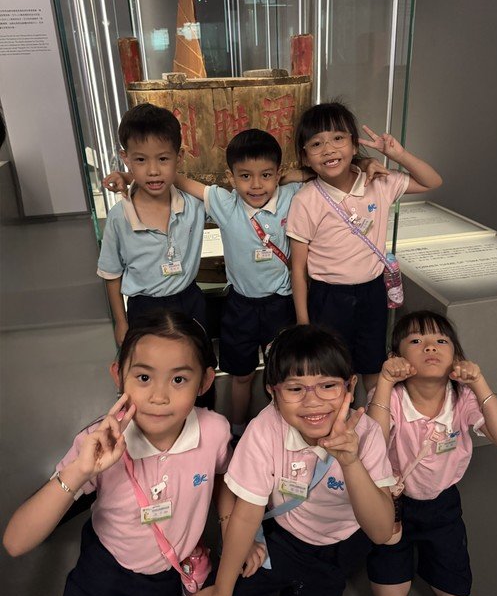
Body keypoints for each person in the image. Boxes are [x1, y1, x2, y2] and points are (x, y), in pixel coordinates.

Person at [104, 128, 387, 441]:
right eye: (245, 176)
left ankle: (284, 432)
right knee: (241, 375)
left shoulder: (290, 196)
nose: (256, 185)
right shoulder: (225, 203)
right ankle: (236, 433)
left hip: (281, 304)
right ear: (231, 177)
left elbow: (323, 169)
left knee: (284, 374)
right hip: (240, 306)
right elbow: (177, 180)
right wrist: (129, 176)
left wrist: (363, 163)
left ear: (277, 174)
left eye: (266, 175)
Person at [3, 310, 234, 596]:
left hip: (166, 570)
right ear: (118, 375)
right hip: (104, 560)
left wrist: (228, 525)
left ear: (205, 382)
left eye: (178, 379)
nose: (159, 397)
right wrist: (80, 471)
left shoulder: (215, 432)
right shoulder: (97, 441)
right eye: (144, 378)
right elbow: (15, 542)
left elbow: (221, 473)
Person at [183, 324, 396, 596]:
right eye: (296, 389)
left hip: (341, 542)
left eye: (328, 386)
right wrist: (221, 595)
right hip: (282, 536)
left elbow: (380, 531)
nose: (313, 402)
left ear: (350, 386)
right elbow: (247, 513)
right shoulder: (265, 428)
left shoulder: (367, 434)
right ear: (273, 392)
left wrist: (350, 462)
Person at [366, 310, 497, 596]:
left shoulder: (463, 397)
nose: (430, 347)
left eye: (441, 340)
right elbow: (371, 447)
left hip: (442, 504)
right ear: (397, 357)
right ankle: (399, 553)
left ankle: (428, 554)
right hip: (392, 500)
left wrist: (479, 382)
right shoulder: (390, 396)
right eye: (416, 340)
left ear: (456, 357)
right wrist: (384, 381)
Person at [286, 101, 443, 392]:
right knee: (331, 370)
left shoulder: (378, 182)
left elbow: (432, 181)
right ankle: (340, 417)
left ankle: (373, 416)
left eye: (338, 138)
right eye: (317, 144)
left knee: (373, 364)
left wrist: (397, 155)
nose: (329, 149)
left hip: (372, 292)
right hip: (327, 297)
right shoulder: (305, 200)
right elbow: (297, 268)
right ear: (305, 157)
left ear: (354, 145)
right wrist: (303, 323)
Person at [97, 103, 206, 347]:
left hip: (189, 300)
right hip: (144, 306)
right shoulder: (119, 217)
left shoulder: (194, 205)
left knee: (196, 359)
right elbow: (112, 274)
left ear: (179, 158)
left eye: (163, 159)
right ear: (125, 158)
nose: (153, 170)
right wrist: (121, 322)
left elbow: (232, 205)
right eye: (141, 160)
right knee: (151, 364)